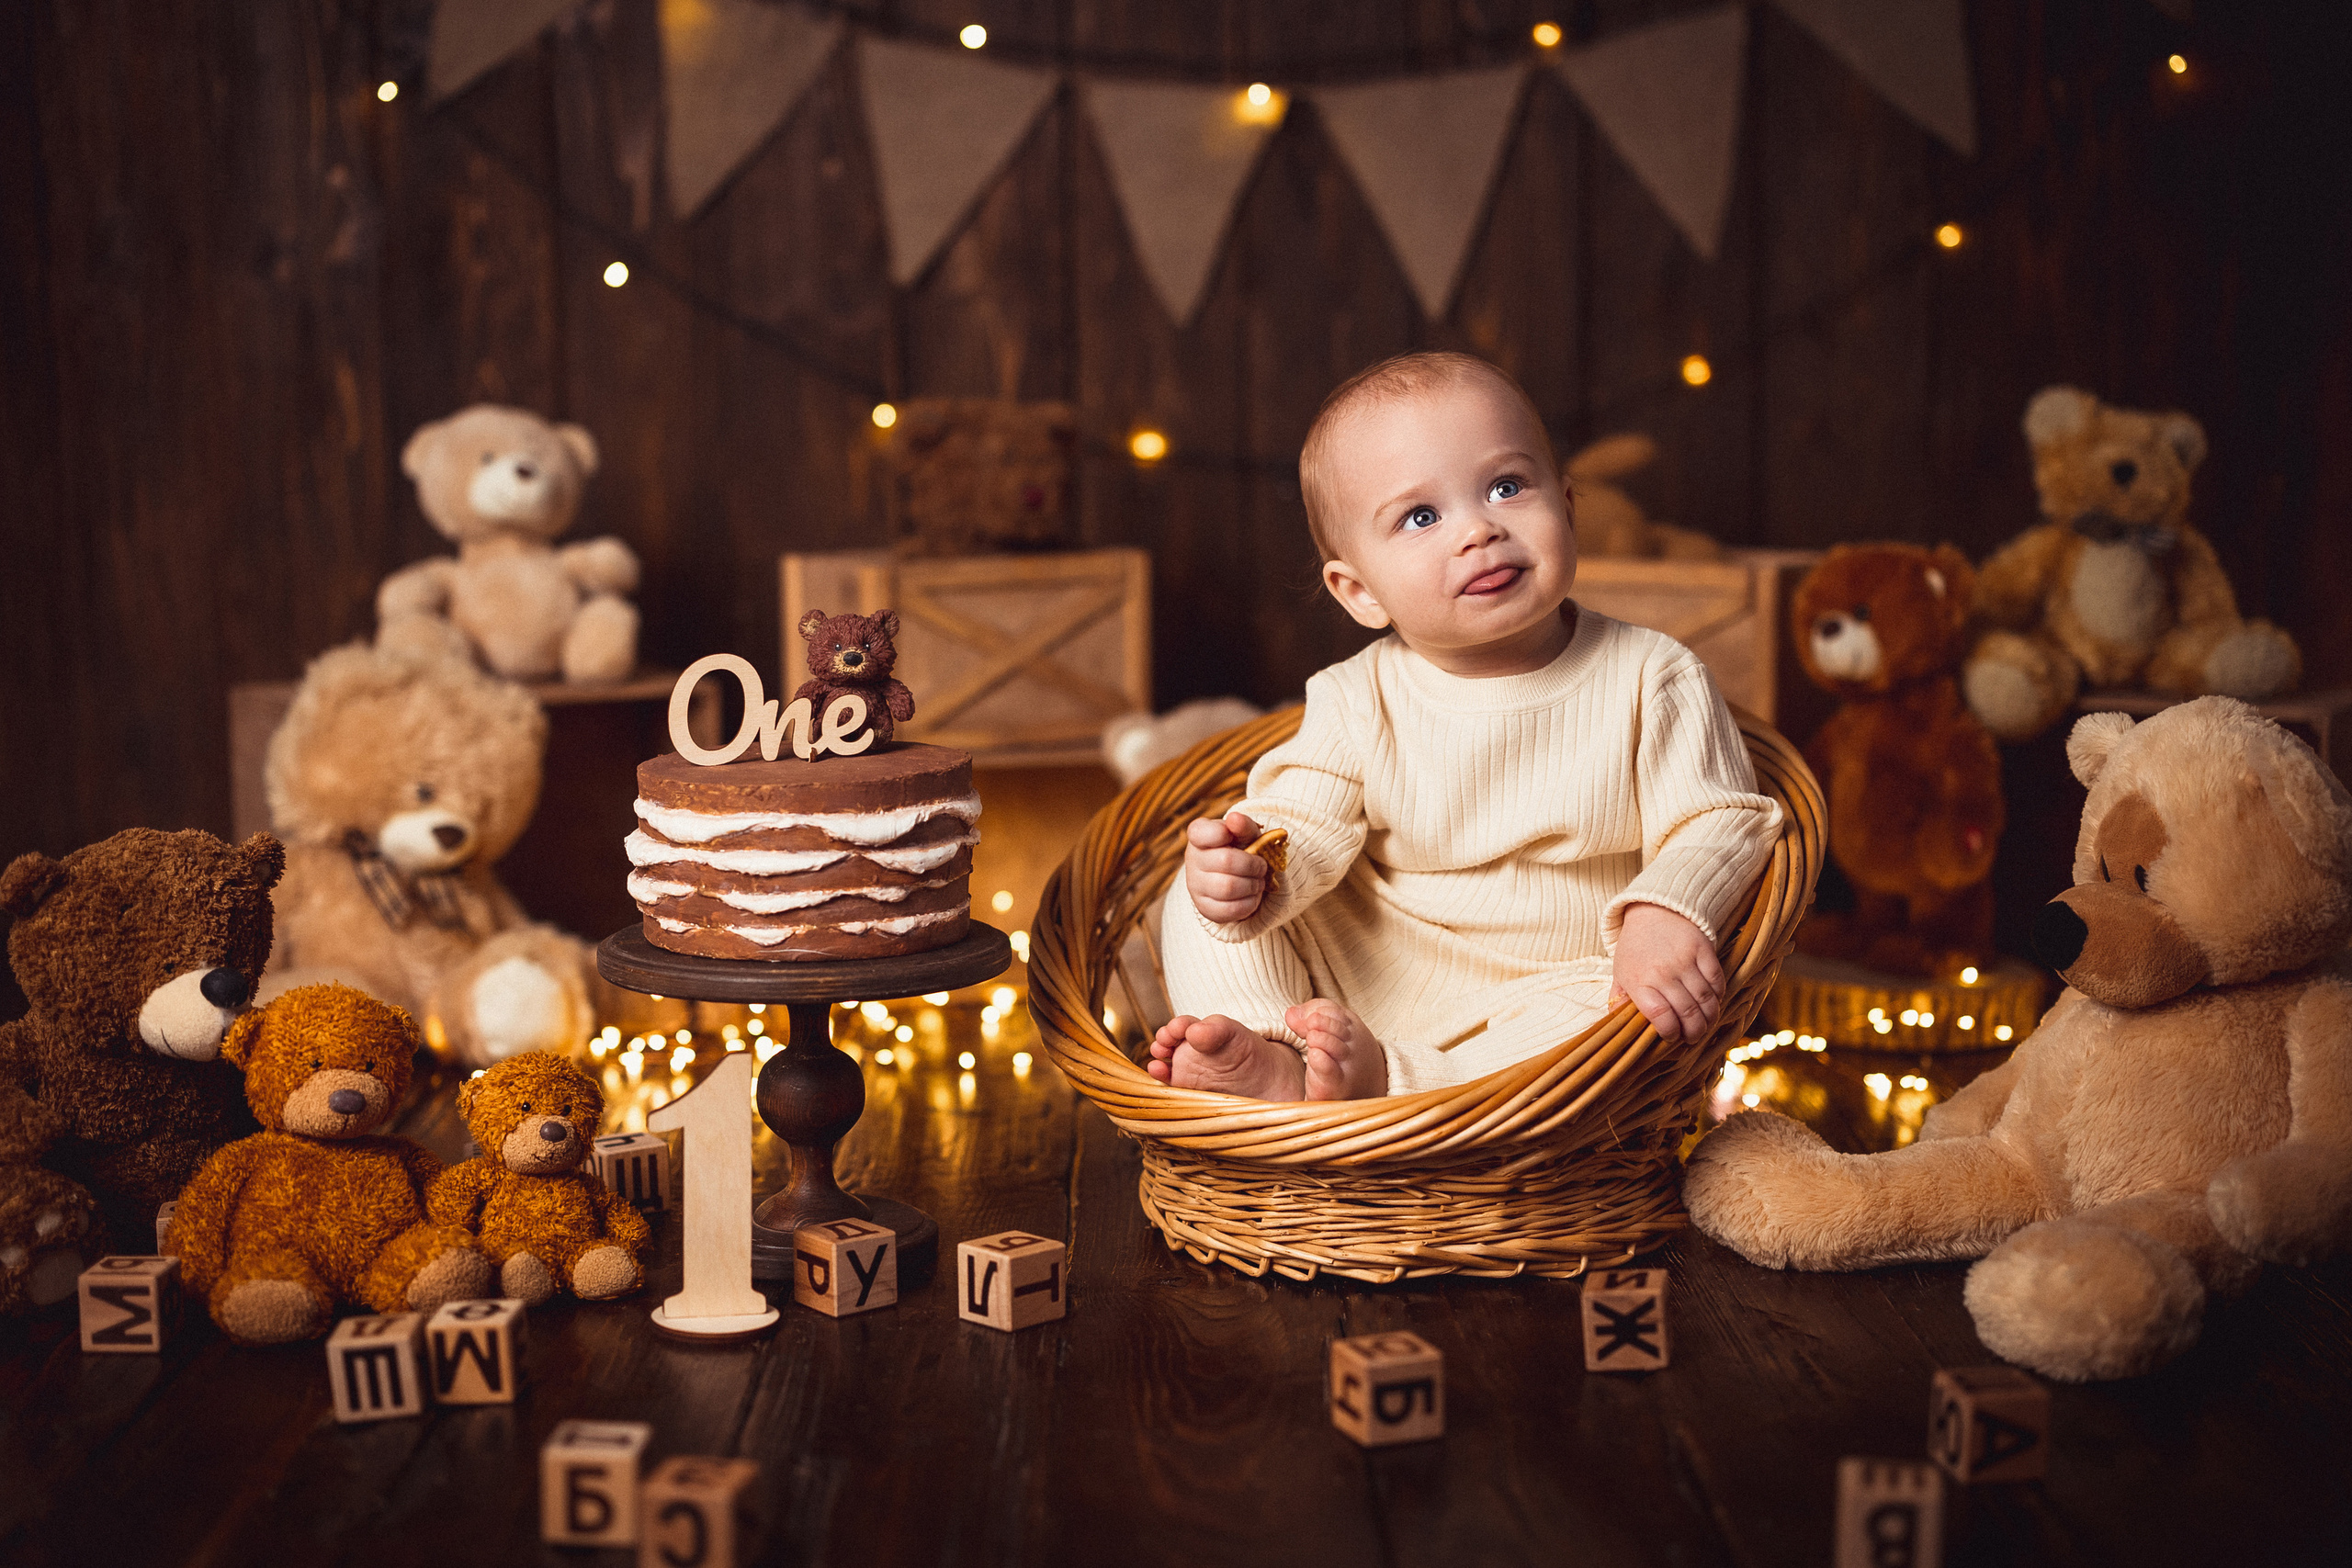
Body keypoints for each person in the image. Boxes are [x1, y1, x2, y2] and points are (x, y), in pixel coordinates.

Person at [1148, 352, 1781, 1100]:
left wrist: (1662, 912)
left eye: (1507, 486)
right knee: (1192, 904)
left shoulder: (1652, 675)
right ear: (1359, 592)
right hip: (1367, 973)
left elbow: (1721, 818)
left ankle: (1396, 1085)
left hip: (1551, 988)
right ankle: (1273, 1054)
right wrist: (1253, 871)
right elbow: (1303, 819)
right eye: (1421, 516)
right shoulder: (1356, 697)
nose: (1479, 529)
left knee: (1628, 1014)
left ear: (1569, 509)